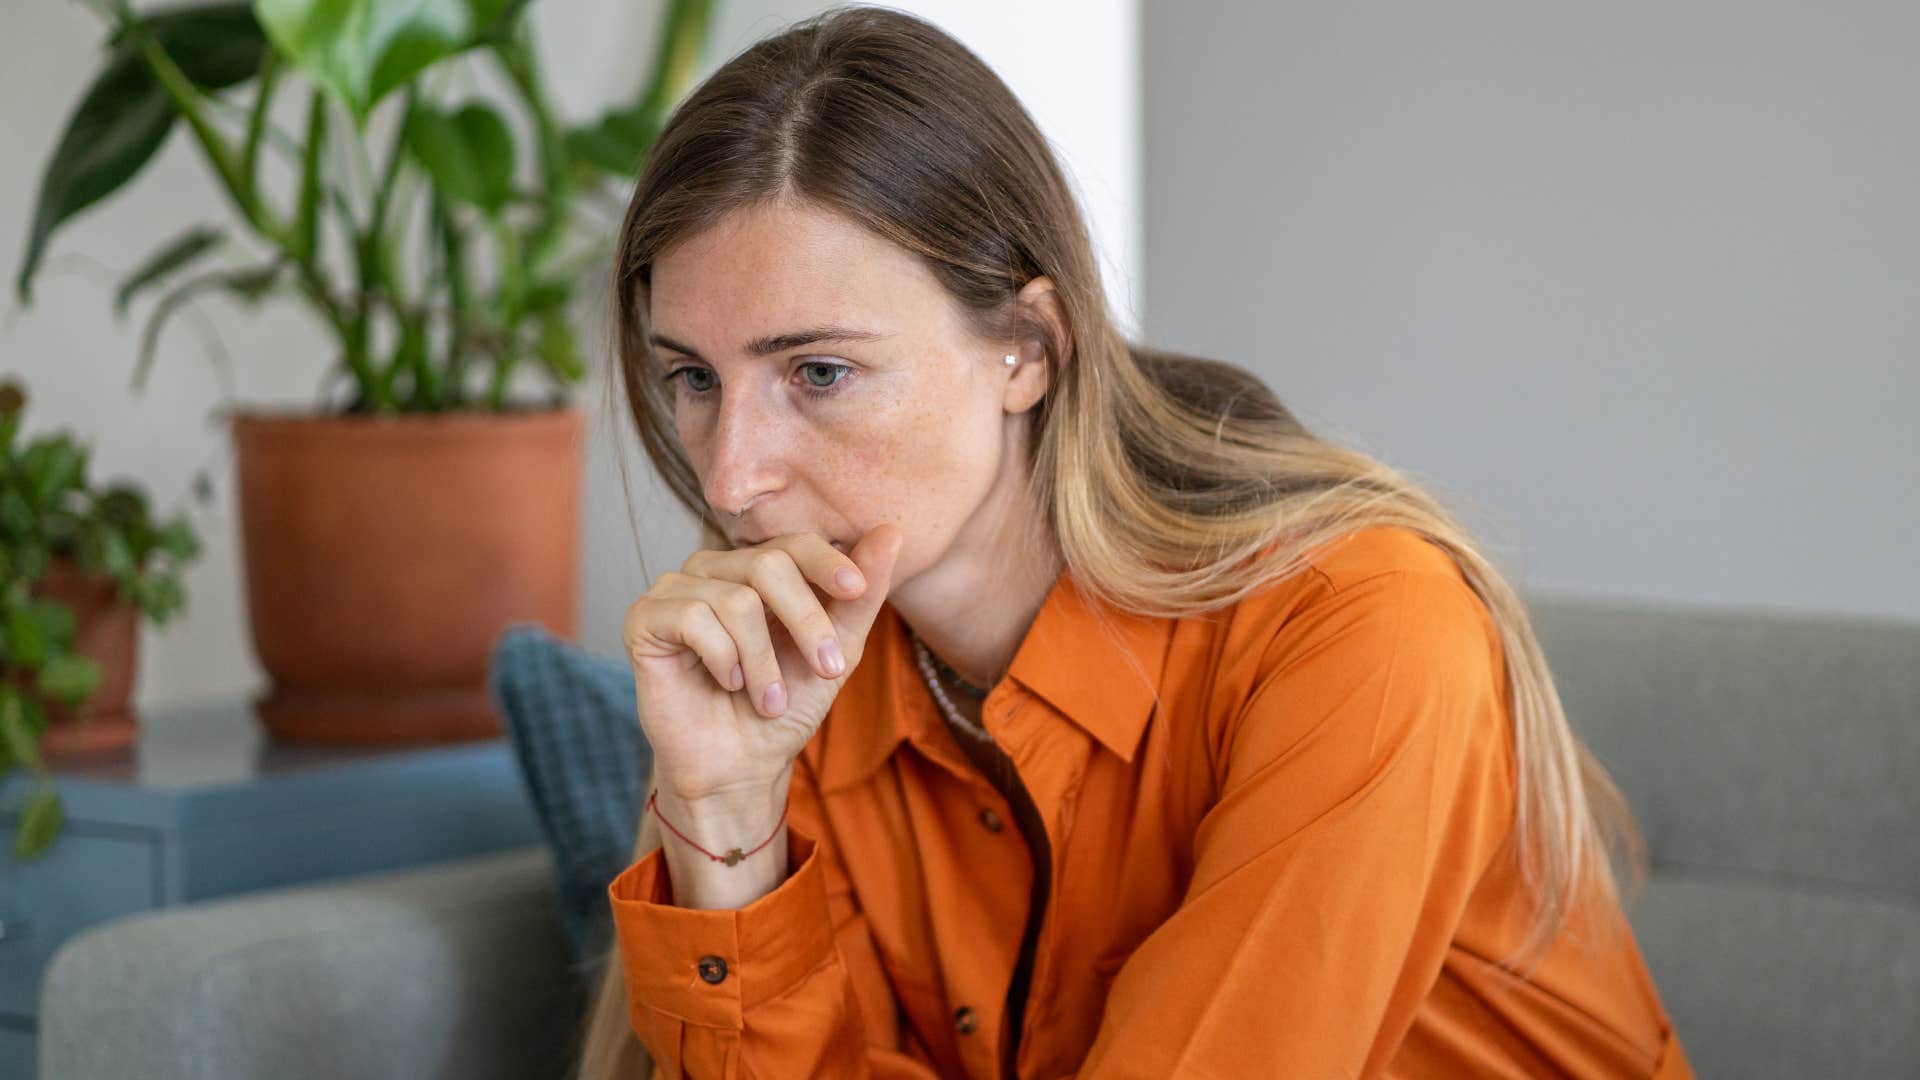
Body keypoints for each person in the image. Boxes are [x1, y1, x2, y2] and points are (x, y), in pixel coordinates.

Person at [575, 5, 1691, 1077]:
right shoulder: (803, 687)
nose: (730, 477)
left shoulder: (1366, 625)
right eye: (694, 379)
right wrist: (724, 811)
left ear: (1028, 349)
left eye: (819, 372)